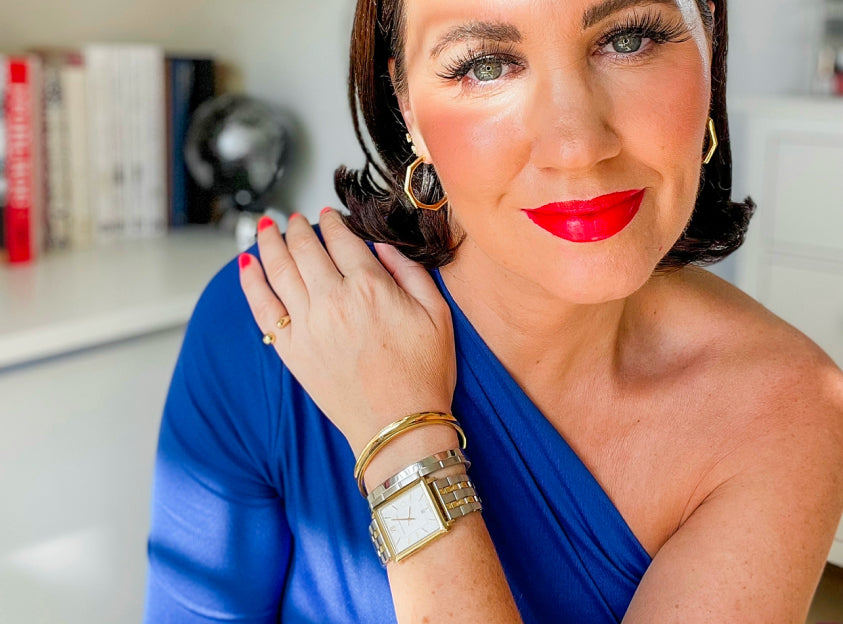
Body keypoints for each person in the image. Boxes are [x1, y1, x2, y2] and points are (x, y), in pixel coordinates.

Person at [143, 0, 843, 621]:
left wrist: (403, 439)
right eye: (484, 64)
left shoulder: (787, 409)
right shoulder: (277, 320)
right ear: (407, 107)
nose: (577, 146)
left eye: (627, 39)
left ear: (707, 43)